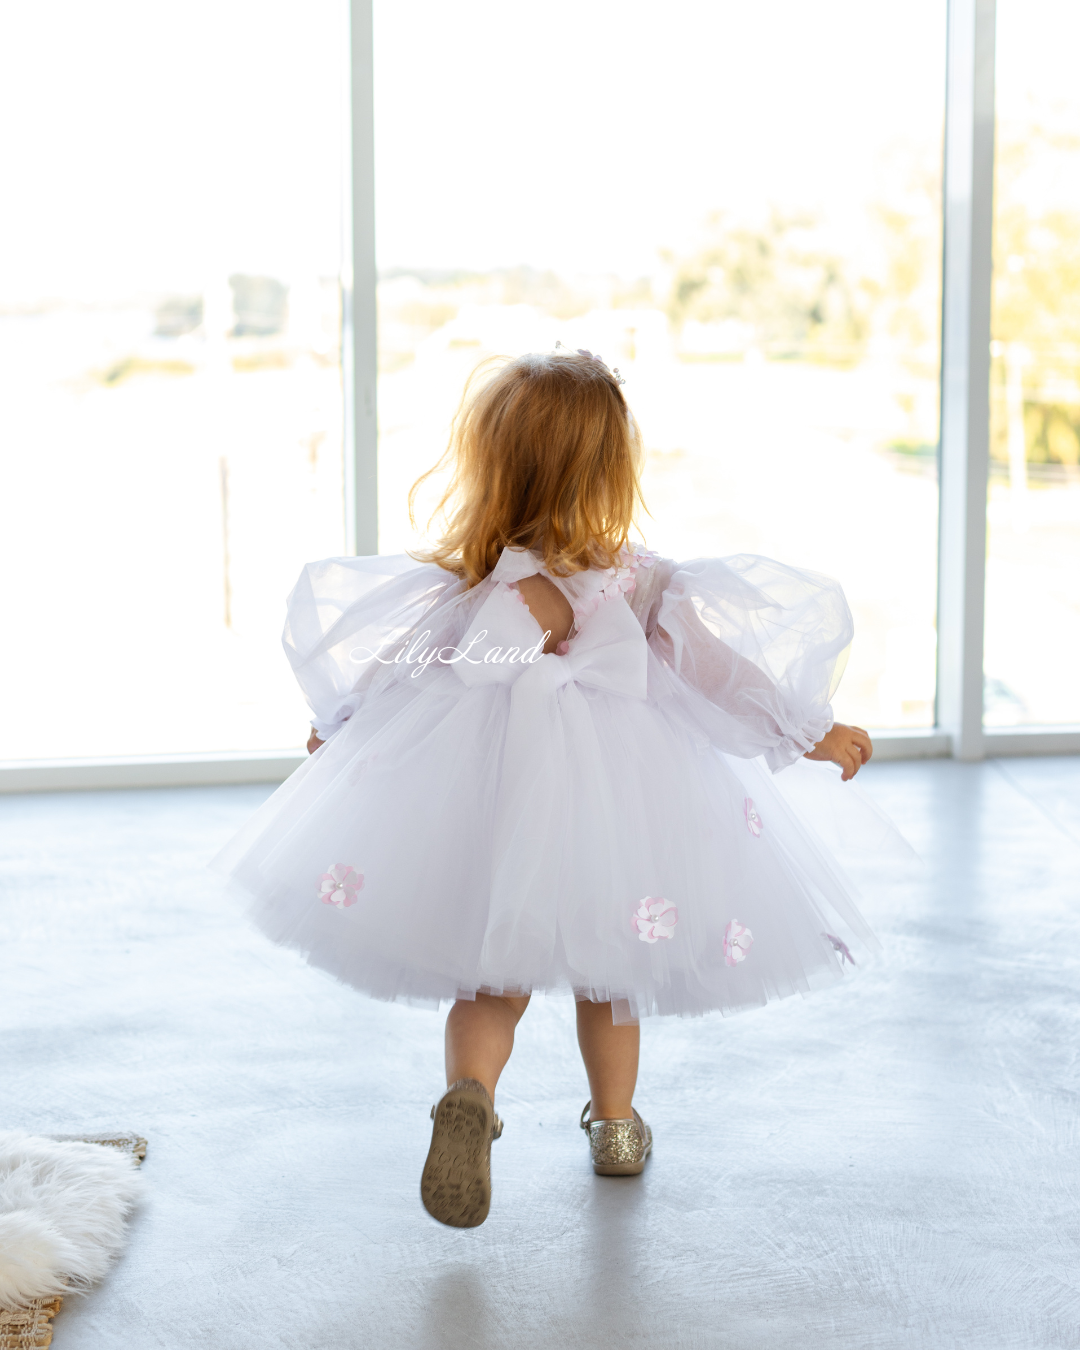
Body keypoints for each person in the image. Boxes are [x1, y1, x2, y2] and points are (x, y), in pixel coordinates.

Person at [214, 348, 877, 1230]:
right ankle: (615, 1128)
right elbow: (720, 672)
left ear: (496, 465)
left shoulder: (484, 585)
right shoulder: (640, 581)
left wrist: (344, 724)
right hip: (626, 801)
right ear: (612, 466)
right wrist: (805, 729)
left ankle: (472, 1098)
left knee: (493, 980)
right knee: (615, 977)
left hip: (498, 799)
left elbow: (427, 668)